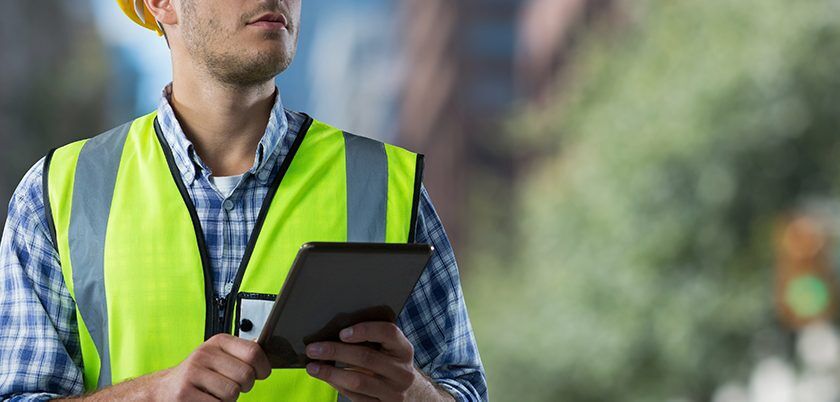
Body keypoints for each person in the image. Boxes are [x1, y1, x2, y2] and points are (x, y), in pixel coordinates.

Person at [0, 0, 486, 400]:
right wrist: (150, 395)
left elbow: (463, 389)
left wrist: (415, 394)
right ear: (160, 4)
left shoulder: (386, 185)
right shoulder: (59, 193)